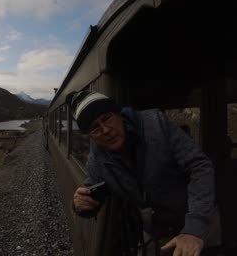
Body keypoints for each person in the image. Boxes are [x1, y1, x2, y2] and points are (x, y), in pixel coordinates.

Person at [69, 90, 218, 256]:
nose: (105, 130)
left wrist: (194, 229)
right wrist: (80, 205)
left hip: (199, 222)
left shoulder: (155, 123)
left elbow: (199, 166)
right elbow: (91, 190)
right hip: (159, 233)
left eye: (107, 118)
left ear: (119, 114)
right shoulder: (97, 159)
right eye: (95, 128)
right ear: (90, 136)